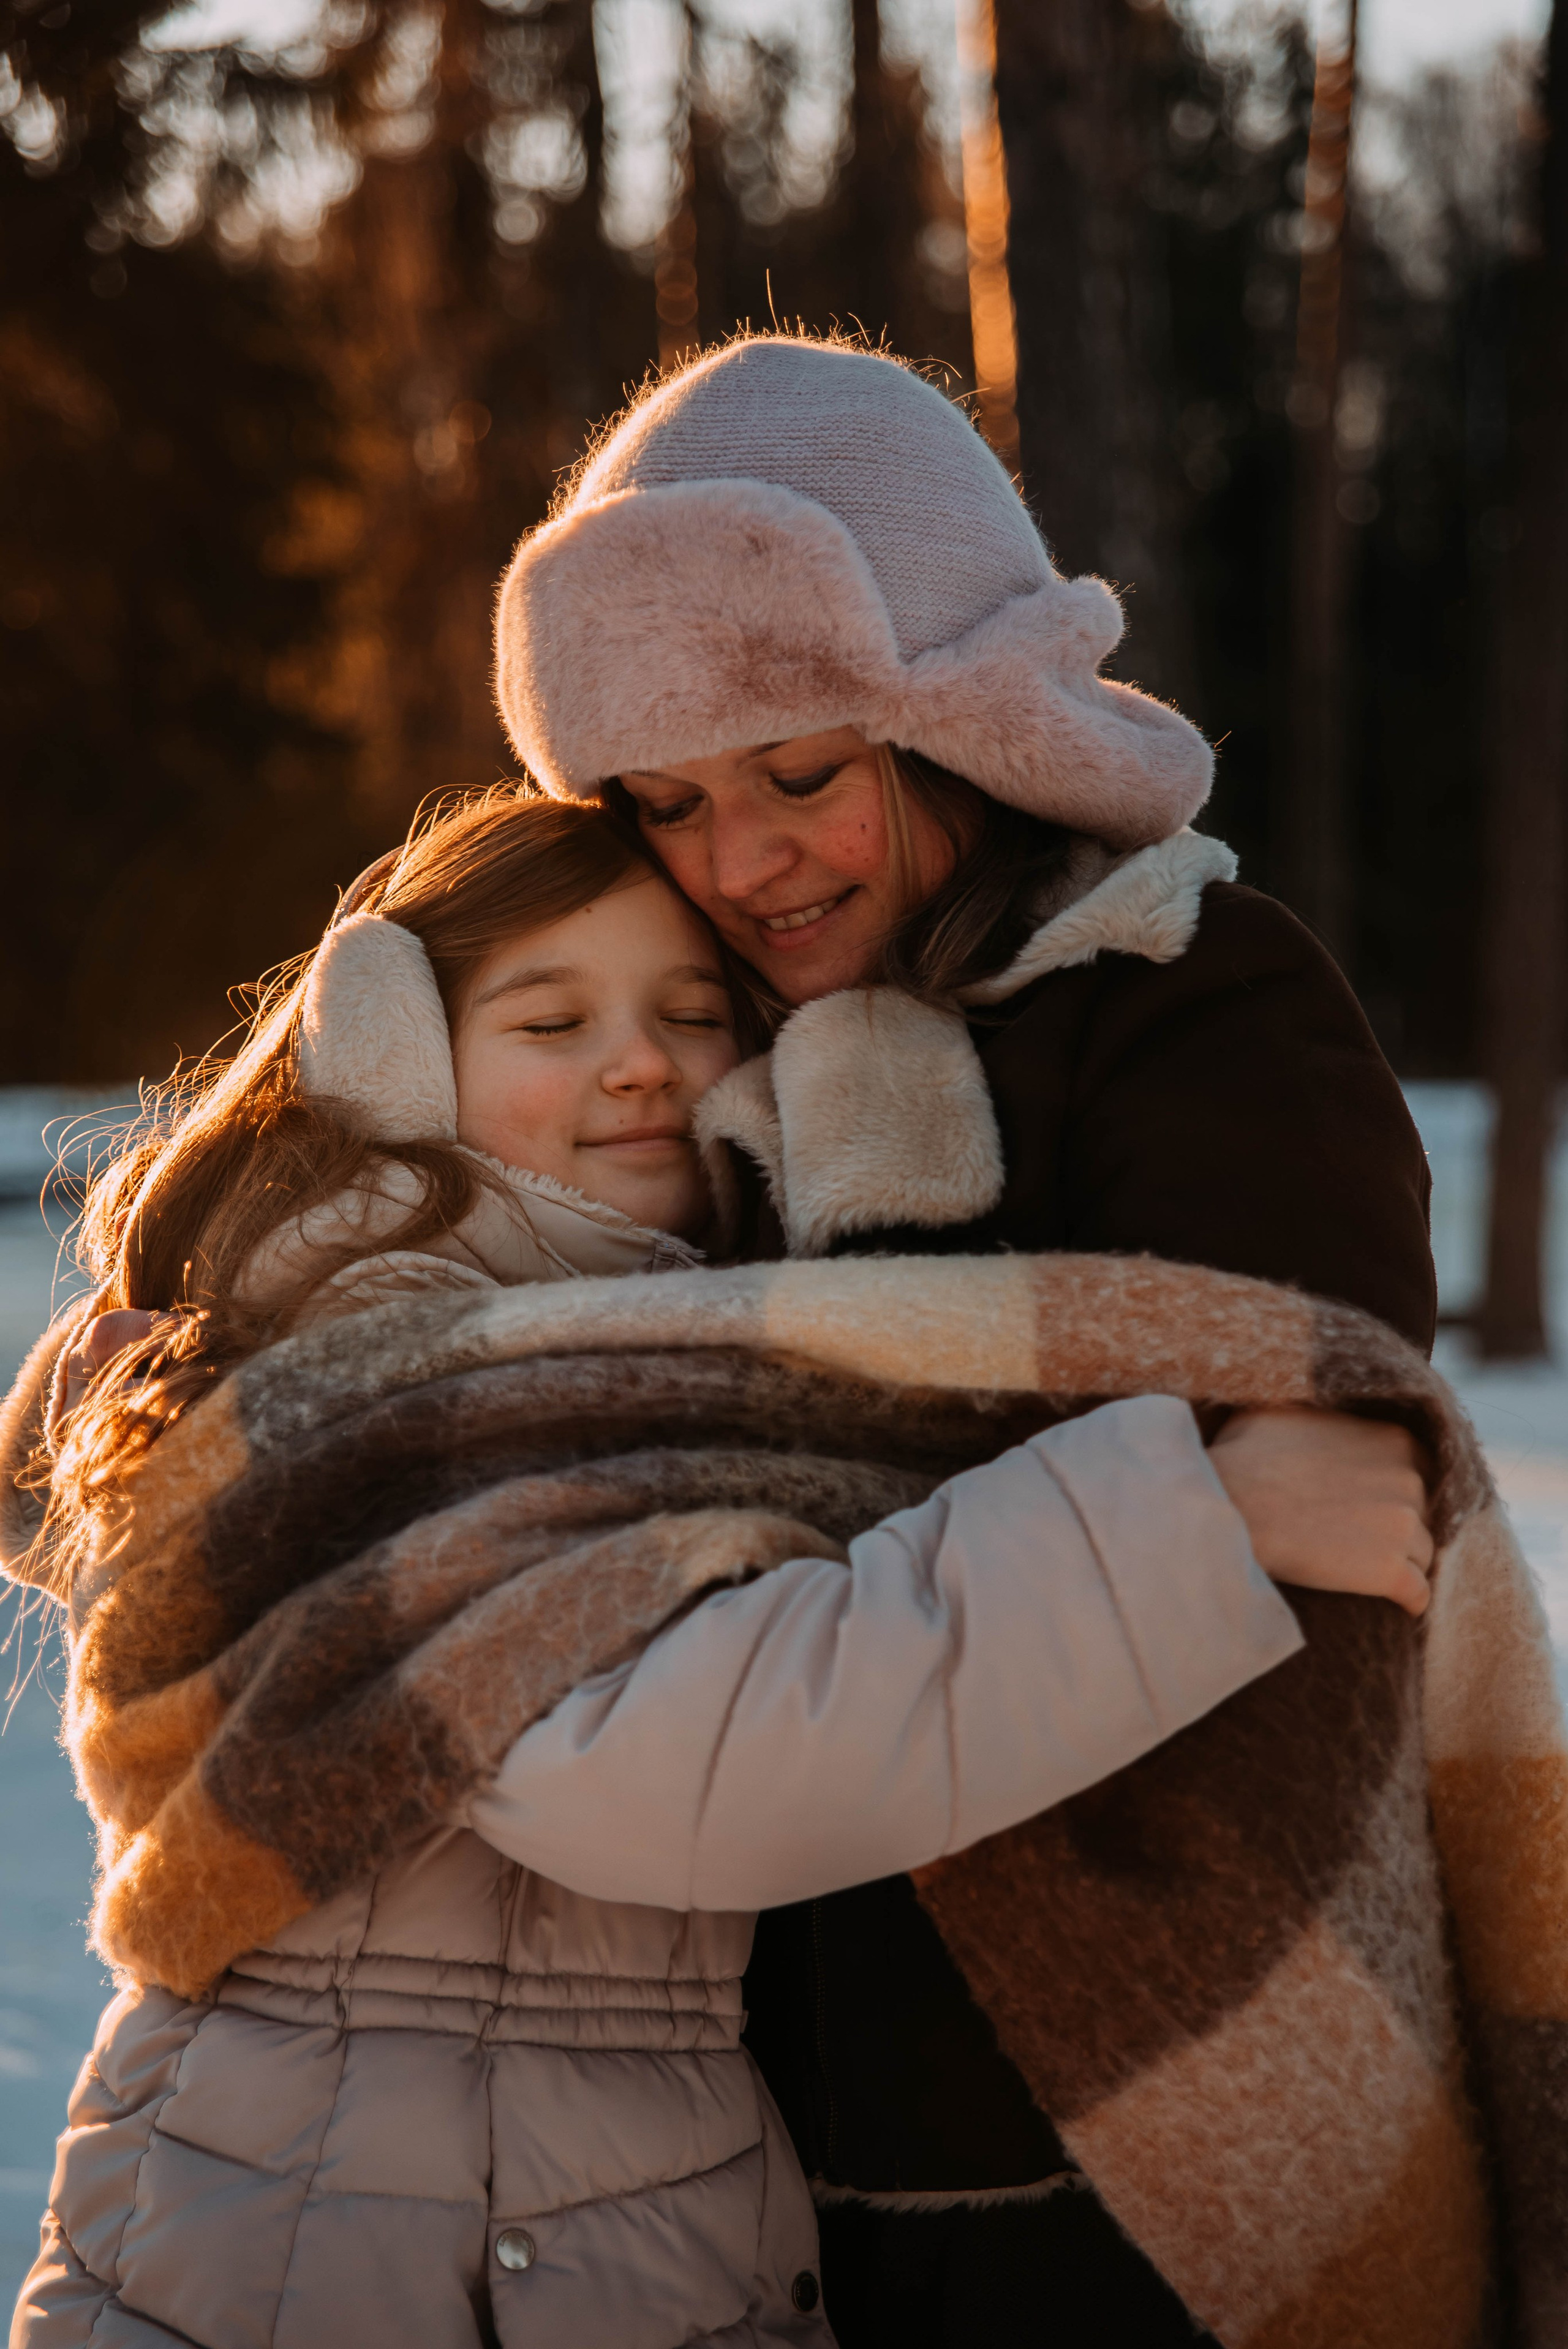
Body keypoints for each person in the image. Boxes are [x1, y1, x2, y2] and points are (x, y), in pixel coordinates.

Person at [4, 786, 1428, 2349]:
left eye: (694, 1013)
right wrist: (1188, 1531)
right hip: (342, 2253)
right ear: (392, 1062)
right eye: (550, 1020)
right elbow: (662, 1758)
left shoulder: (618, 1368)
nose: (640, 1062)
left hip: (553, 2212)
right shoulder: (381, 1379)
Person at [483, 331, 1441, 2345]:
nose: (743, 862)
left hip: (1159, 2142)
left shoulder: (1188, 986)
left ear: (966, 717)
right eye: (669, 802)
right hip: (762, 2160)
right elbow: (455, 1309)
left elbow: (1313, 1498)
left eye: (803, 772)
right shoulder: (711, 1063)